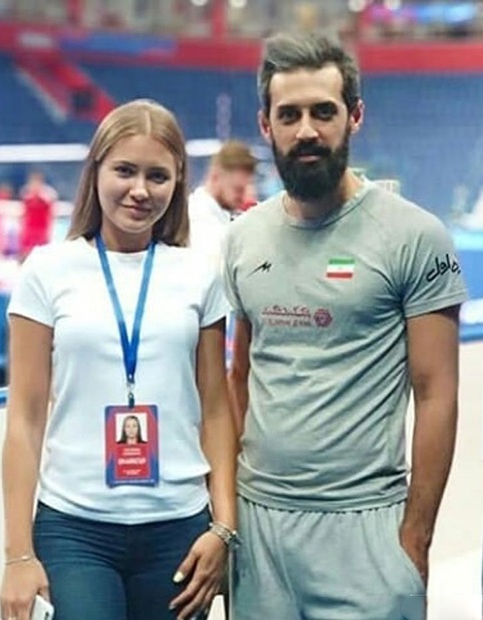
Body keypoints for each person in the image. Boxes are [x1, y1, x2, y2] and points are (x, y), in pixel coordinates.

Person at [223, 32, 468, 620]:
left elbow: (437, 393)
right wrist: (229, 516)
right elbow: (239, 377)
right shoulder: (242, 238)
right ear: (265, 125)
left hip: (368, 531)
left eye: (323, 112)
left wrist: (416, 538)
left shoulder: (415, 236)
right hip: (259, 533)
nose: (306, 130)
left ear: (354, 116)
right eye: (289, 115)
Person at [0, 99, 238, 620]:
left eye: (158, 176)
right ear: (96, 172)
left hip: (179, 528)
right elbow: (24, 419)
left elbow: (216, 411)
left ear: (177, 182)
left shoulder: (198, 276)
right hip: (75, 529)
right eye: (125, 170)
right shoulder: (47, 272)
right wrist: (18, 555)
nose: (140, 190)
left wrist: (224, 527)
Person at [188, 140, 257, 263]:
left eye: (247, 187)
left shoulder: (229, 218)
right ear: (215, 177)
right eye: (238, 189)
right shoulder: (197, 221)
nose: (244, 197)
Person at [18, 170, 57, 261]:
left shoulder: (47, 198)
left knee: (42, 256)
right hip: (29, 232)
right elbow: (23, 214)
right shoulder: (26, 197)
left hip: (41, 232)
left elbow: (51, 214)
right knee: (26, 255)